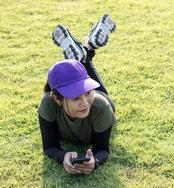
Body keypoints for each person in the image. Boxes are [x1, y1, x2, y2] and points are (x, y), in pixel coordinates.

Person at [37, 14, 116, 175]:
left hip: (102, 97)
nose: (85, 103)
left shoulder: (101, 106)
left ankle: (86, 55)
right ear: (57, 99)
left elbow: (102, 149)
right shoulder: (48, 104)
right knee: (82, 68)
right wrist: (63, 156)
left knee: (94, 88)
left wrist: (95, 162)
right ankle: (87, 50)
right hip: (71, 92)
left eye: (87, 93)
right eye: (75, 98)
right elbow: (50, 147)